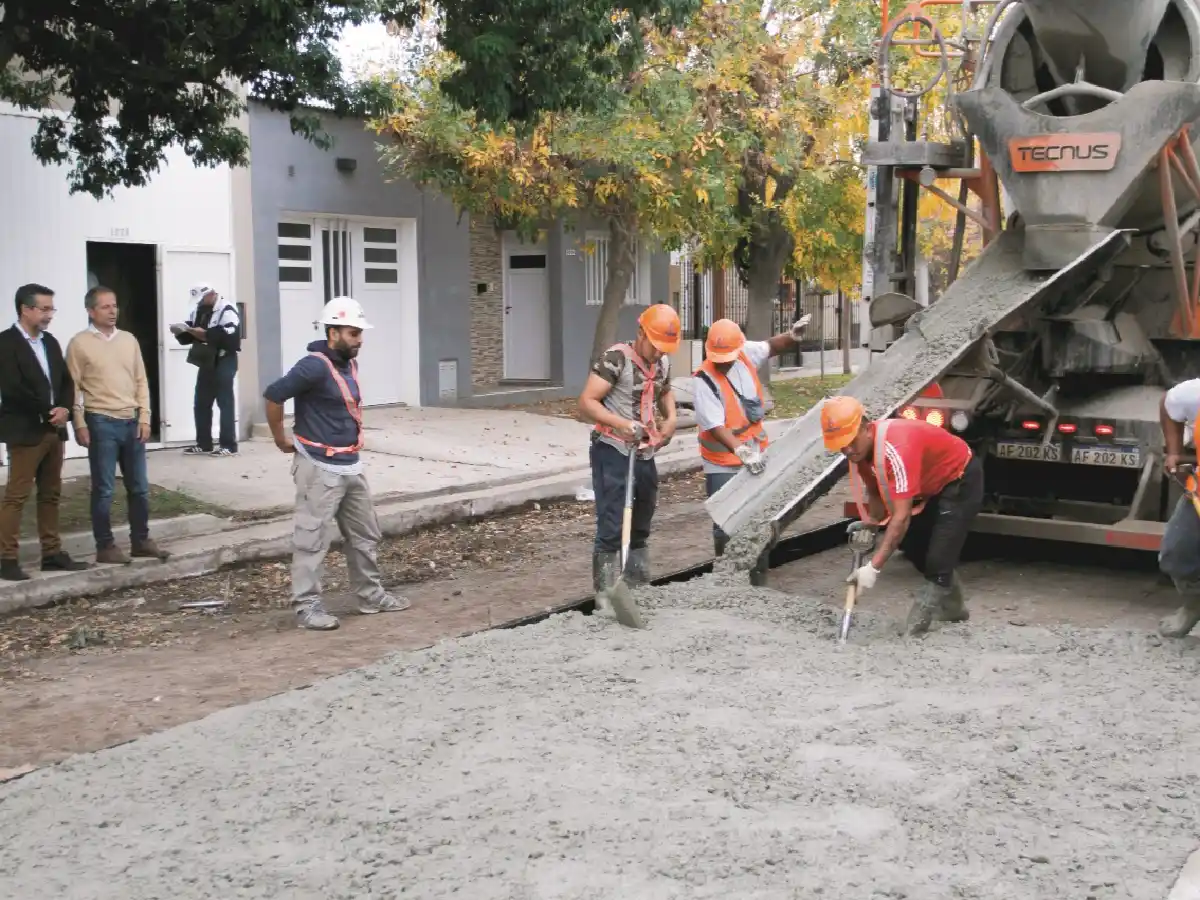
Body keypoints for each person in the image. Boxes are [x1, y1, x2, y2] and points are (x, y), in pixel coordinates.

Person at [262, 296, 411, 631]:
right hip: (319, 467)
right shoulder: (313, 365)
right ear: (333, 332)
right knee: (312, 538)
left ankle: (370, 594)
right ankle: (307, 607)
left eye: (360, 332)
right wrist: (279, 438)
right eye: (353, 332)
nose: (360, 339)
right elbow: (273, 395)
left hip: (350, 464)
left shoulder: (348, 363)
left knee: (364, 533)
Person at [822, 395, 983, 635]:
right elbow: (876, 491)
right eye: (841, 445)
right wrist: (872, 525)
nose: (847, 449)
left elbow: (901, 517)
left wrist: (873, 568)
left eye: (851, 441)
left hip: (960, 478)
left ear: (866, 428)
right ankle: (954, 609)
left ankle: (914, 629)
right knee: (913, 545)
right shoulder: (860, 453)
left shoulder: (896, 449)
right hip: (932, 483)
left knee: (939, 557)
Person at [693, 315, 811, 585]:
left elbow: (771, 346)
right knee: (727, 521)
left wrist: (792, 337)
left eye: (728, 357)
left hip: (756, 452)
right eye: (718, 358)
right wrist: (741, 452)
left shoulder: (744, 355)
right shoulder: (703, 380)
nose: (723, 363)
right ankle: (729, 580)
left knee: (758, 517)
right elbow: (715, 427)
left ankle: (757, 578)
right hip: (722, 462)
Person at [578, 304, 680, 613]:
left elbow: (664, 393)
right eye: (656, 346)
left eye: (665, 348)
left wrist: (671, 420)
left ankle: (637, 584)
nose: (659, 353)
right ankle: (607, 595)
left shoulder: (661, 362)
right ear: (641, 333)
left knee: (642, 516)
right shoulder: (616, 358)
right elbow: (586, 402)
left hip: (644, 451)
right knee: (612, 522)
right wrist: (621, 423)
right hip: (613, 449)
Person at [65, 286, 169, 564]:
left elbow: (141, 381)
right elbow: (72, 387)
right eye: (105, 307)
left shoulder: (128, 340)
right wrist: (78, 423)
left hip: (131, 421)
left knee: (139, 488)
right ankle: (106, 546)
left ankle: (141, 540)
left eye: (115, 306)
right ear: (91, 311)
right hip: (100, 421)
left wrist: (145, 417)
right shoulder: (79, 344)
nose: (113, 311)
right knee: (104, 489)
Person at [0, 284, 88, 580]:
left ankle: (51, 553)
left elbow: (65, 380)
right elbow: (12, 388)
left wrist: (64, 407)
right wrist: (46, 411)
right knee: (17, 496)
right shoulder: (6, 343)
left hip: (54, 430)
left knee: (51, 494)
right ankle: (6, 558)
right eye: (45, 309)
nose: (50, 315)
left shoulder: (49, 342)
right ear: (26, 309)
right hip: (26, 430)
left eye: (52, 309)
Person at [172, 284, 241, 457]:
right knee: (201, 402)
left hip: (225, 359)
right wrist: (181, 332)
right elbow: (189, 331)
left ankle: (228, 445)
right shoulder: (199, 310)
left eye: (202, 299)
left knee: (225, 402)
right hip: (207, 359)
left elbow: (230, 335)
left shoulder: (227, 309)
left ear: (210, 294)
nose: (200, 303)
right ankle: (204, 443)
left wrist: (205, 334)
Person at [1156, 378, 1200, 638]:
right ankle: (1194, 604)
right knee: (1176, 553)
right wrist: (1174, 451)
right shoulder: (1196, 393)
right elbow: (1168, 403)